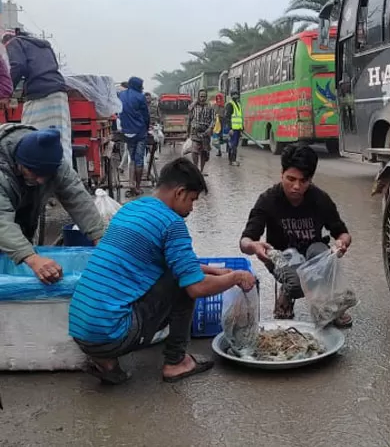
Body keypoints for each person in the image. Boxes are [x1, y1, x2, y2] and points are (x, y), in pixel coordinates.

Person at [69, 157, 256, 385]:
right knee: (183, 285)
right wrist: (236, 276)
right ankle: (176, 362)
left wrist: (217, 272)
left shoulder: (132, 208)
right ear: (179, 193)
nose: (191, 208)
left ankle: (106, 362)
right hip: (114, 333)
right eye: (192, 200)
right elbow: (196, 287)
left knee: (174, 274)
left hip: (81, 332)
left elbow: (168, 262)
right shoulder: (171, 223)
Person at [240, 144, 353, 327]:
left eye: (303, 181)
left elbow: (342, 233)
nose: (296, 187)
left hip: (312, 257)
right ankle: (287, 291)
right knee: (296, 284)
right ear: (281, 174)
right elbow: (245, 240)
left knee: (320, 250)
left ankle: (331, 304)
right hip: (282, 258)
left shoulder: (320, 199)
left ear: (310, 180)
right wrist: (254, 247)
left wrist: (341, 244)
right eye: (290, 179)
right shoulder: (268, 199)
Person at [0, 124, 105, 283]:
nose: (41, 180)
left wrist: (100, 237)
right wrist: (32, 258)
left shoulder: (54, 165)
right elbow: (1, 221)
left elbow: (77, 198)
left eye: (46, 175)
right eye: (35, 173)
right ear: (19, 163)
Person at [2, 31, 71, 162]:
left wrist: (6, 92)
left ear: (6, 42)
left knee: (30, 135)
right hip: (59, 92)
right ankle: (62, 171)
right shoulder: (43, 45)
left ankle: (38, 170)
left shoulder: (14, 43)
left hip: (40, 94)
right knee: (60, 137)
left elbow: (18, 66)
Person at [118, 77, 150, 197]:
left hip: (126, 132)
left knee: (132, 158)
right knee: (139, 160)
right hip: (139, 132)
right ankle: (137, 186)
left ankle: (131, 183)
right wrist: (146, 129)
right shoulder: (140, 97)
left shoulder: (121, 95)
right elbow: (146, 116)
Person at [187, 89, 215, 173]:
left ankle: (201, 171)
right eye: (201, 96)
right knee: (194, 151)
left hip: (206, 133)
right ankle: (195, 169)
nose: (203, 98)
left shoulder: (210, 107)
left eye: (204, 96)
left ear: (206, 97)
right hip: (195, 132)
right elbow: (189, 112)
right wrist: (187, 132)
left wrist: (210, 128)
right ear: (198, 97)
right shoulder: (194, 106)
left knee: (204, 152)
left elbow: (213, 119)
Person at [223, 89, 243, 166]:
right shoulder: (230, 105)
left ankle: (231, 160)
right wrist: (230, 128)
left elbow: (240, 117)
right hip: (232, 129)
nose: (236, 96)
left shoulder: (238, 104)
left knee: (235, 145)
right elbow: (227, 117)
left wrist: (242, 128)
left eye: (236, 94)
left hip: (238, 129)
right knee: (233, 145)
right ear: (231, 96)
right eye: (234, 94)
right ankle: (232, 160)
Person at [212, 93, 226, 158]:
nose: (218, 100)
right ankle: (219, 151)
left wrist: (220, 116)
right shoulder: (214, 106)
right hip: (216, 124)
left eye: (220, 98)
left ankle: (227, 150)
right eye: (217, 98)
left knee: (223, 137)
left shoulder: (224, 106)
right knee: (216, 138)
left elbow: (225, 115)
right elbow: (212, 114)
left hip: (222, 123)